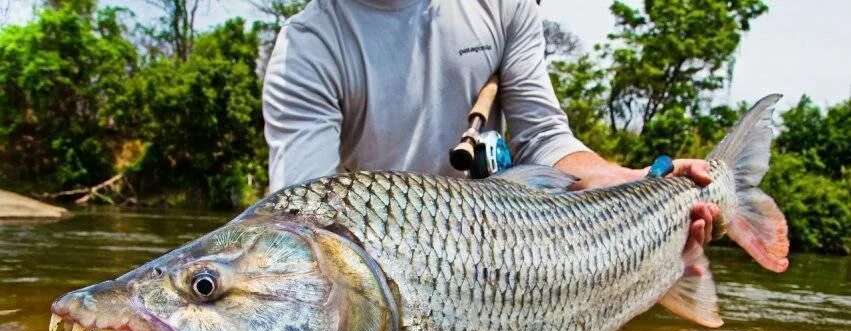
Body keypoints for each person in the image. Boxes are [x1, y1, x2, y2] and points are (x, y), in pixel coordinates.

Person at [262, 0, 717, 250]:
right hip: (382, 259)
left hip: (502, 249)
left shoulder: (502, 6)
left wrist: (633, 181)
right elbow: (303, 221)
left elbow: (543, 137)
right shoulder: (308, 45)